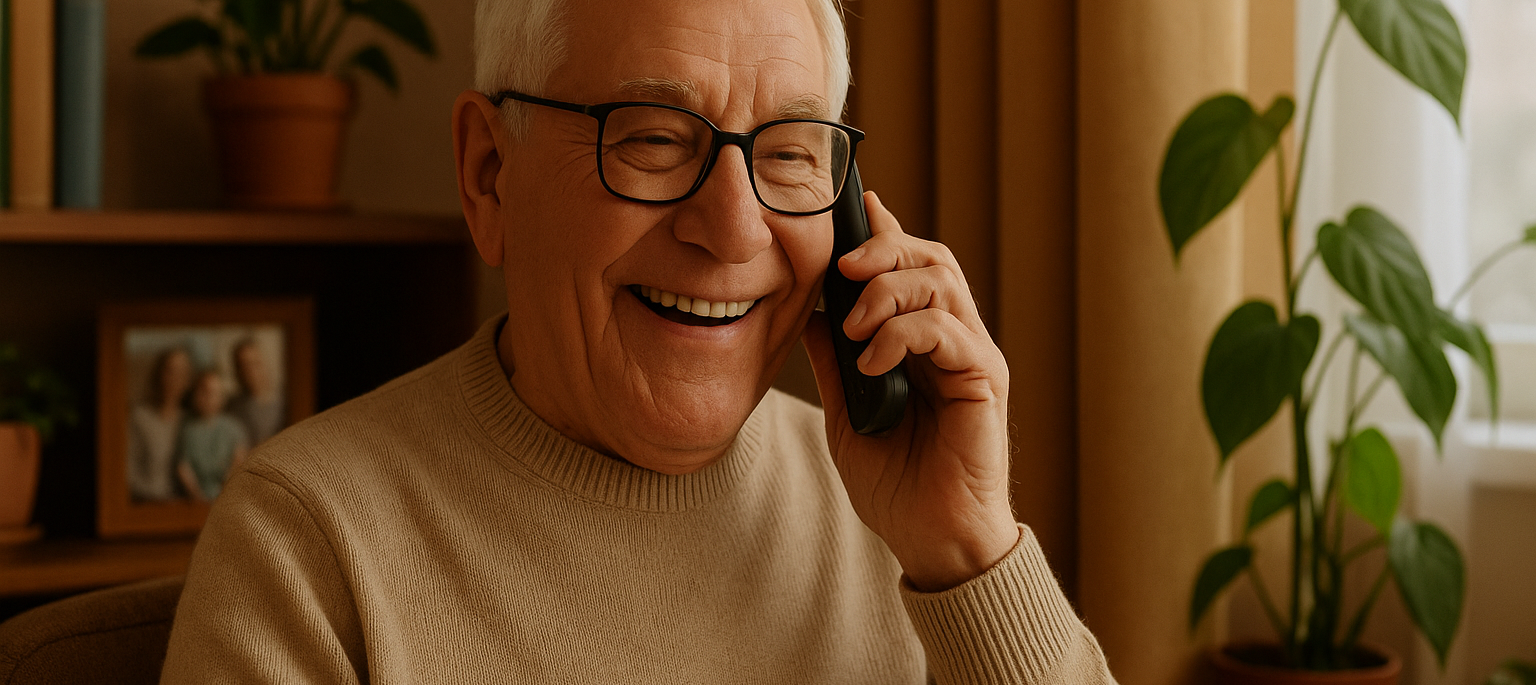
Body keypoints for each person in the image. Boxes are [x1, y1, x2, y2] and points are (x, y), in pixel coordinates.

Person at [162, 0, 1117, 682]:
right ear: (490, 175)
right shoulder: (307, 546)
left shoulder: (900, 516)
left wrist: (971, 555)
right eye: (654, 139)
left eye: (789, 152)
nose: (736, 229)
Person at [127, 347, 191, 501]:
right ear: (159, 374)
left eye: (181, 373)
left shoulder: (189, 421)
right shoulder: (140, 417)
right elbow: (128, 471)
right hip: (147, 504)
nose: (175, 379)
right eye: (170, 371)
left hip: (184, 508)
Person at [174, 370, 249, 501]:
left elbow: (239, 460)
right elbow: (183, 467)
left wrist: (224, 491)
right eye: (202, 392)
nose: (207, 398)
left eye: (212, 393)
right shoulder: (188, 429)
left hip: (227, 496)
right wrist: (197, 496)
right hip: (197, 499)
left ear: (221, 397)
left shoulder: (232, 427)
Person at [225, 338, 285, 446]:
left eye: (254, 364)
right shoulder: (231, 407)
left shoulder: (284, 403)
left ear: (265, 364)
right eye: (243, 366)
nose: (250, 372)